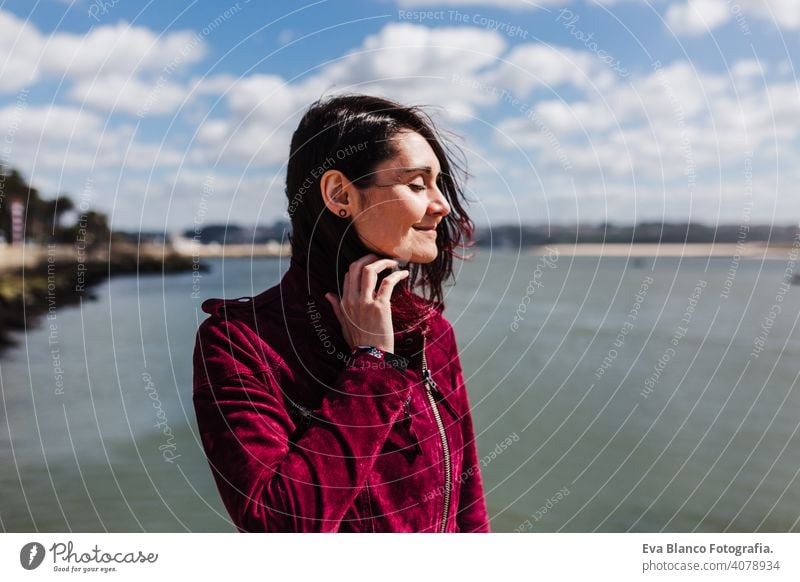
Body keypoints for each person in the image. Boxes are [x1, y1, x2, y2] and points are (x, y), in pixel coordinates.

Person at [192, 94, 489, 532]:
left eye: (438, 183)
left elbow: (469, 505)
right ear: (339, 194)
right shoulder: (241, 344)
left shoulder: (432, 331)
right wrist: (372, 367)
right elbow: (276, 525)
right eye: (416, 183)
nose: (442, 204)